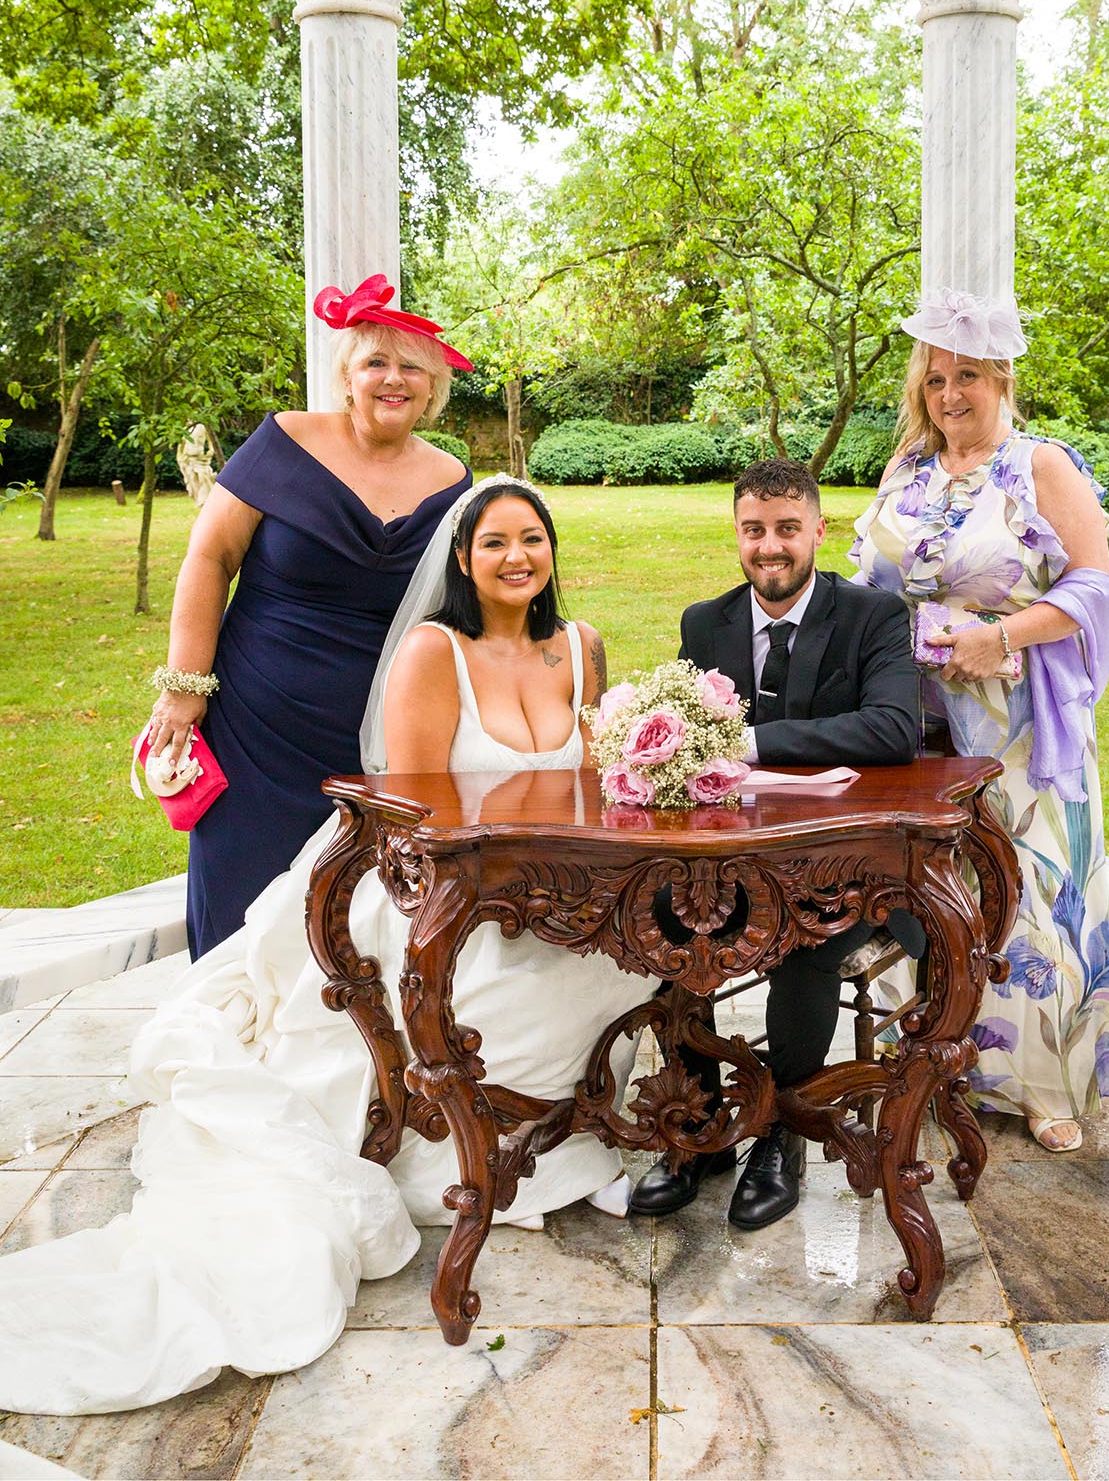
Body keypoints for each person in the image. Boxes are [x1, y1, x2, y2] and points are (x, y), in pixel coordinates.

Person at [0, 477, 655, 1417]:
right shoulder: (435, 651)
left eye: (533, 540)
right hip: (440, 888)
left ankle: (570, 1133)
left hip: (557, 889)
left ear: (552, 553)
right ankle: (460, 1151)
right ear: (463, 562)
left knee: (619, 962)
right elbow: (416, 812)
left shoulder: (580, 649)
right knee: (498, 993)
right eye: (495, 542)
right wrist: (504, 894)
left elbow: (593, 791)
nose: (517, 557)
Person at [851, 287, 1109, 1153]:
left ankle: (1043, 1084)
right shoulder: (908, 471)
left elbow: (1090, 588)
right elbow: (869, 586)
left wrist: (995, 635)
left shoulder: (1040, 468)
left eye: (968, 376)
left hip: (1014, 722)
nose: (950, 394)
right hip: (914, 721)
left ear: (1001, 380)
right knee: (931, 888)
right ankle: (932, 1060)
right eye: (935, 379)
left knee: (1028, 891)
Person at [629, 457, 921, 1232]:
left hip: (848, 867)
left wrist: (751, 742)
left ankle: (783, 1133)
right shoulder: (705, 622)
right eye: (754, 530)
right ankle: (696, 1127)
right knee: (662, 921)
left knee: (804, 943)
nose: (771, 547)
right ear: (737, 534)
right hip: (733, 862)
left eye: (787, 530)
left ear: (817, 532)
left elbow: (895, 730)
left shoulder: (874, 618)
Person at [149, 273, 472, 957]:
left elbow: (461, 606)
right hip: (255, 727)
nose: (393, 379)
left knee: (353, 925)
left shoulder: (452, 479)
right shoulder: (283, 442)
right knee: (242, 905)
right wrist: (184, 691)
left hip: (378, 739)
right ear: (346, 376)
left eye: (411, 367)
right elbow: (209, 560)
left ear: (434, 387)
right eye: (374, 362)